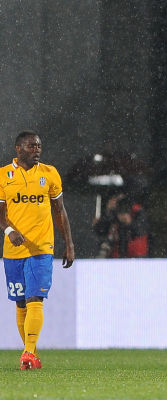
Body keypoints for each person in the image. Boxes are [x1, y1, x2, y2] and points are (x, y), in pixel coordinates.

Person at [0, 130, 75, 370]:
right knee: (21, 302)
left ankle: (28, 353)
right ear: (18, 149)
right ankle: (31, 353)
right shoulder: (4, 175)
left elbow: (59, 210)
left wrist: (69, 244)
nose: (37, 150)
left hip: (41, 247)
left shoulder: (49, 173)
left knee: (35, 298)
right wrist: (9, 231)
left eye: (39, 146)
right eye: (31, 146)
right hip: (13, 250)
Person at [94, 194, 149, 258]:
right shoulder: (113, 213)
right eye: (115, 199)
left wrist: (129, 223)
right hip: (117, 255)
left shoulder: (137, 211)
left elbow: (142, 231)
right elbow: (100, 230)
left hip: (137, 255)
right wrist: (108, 212)